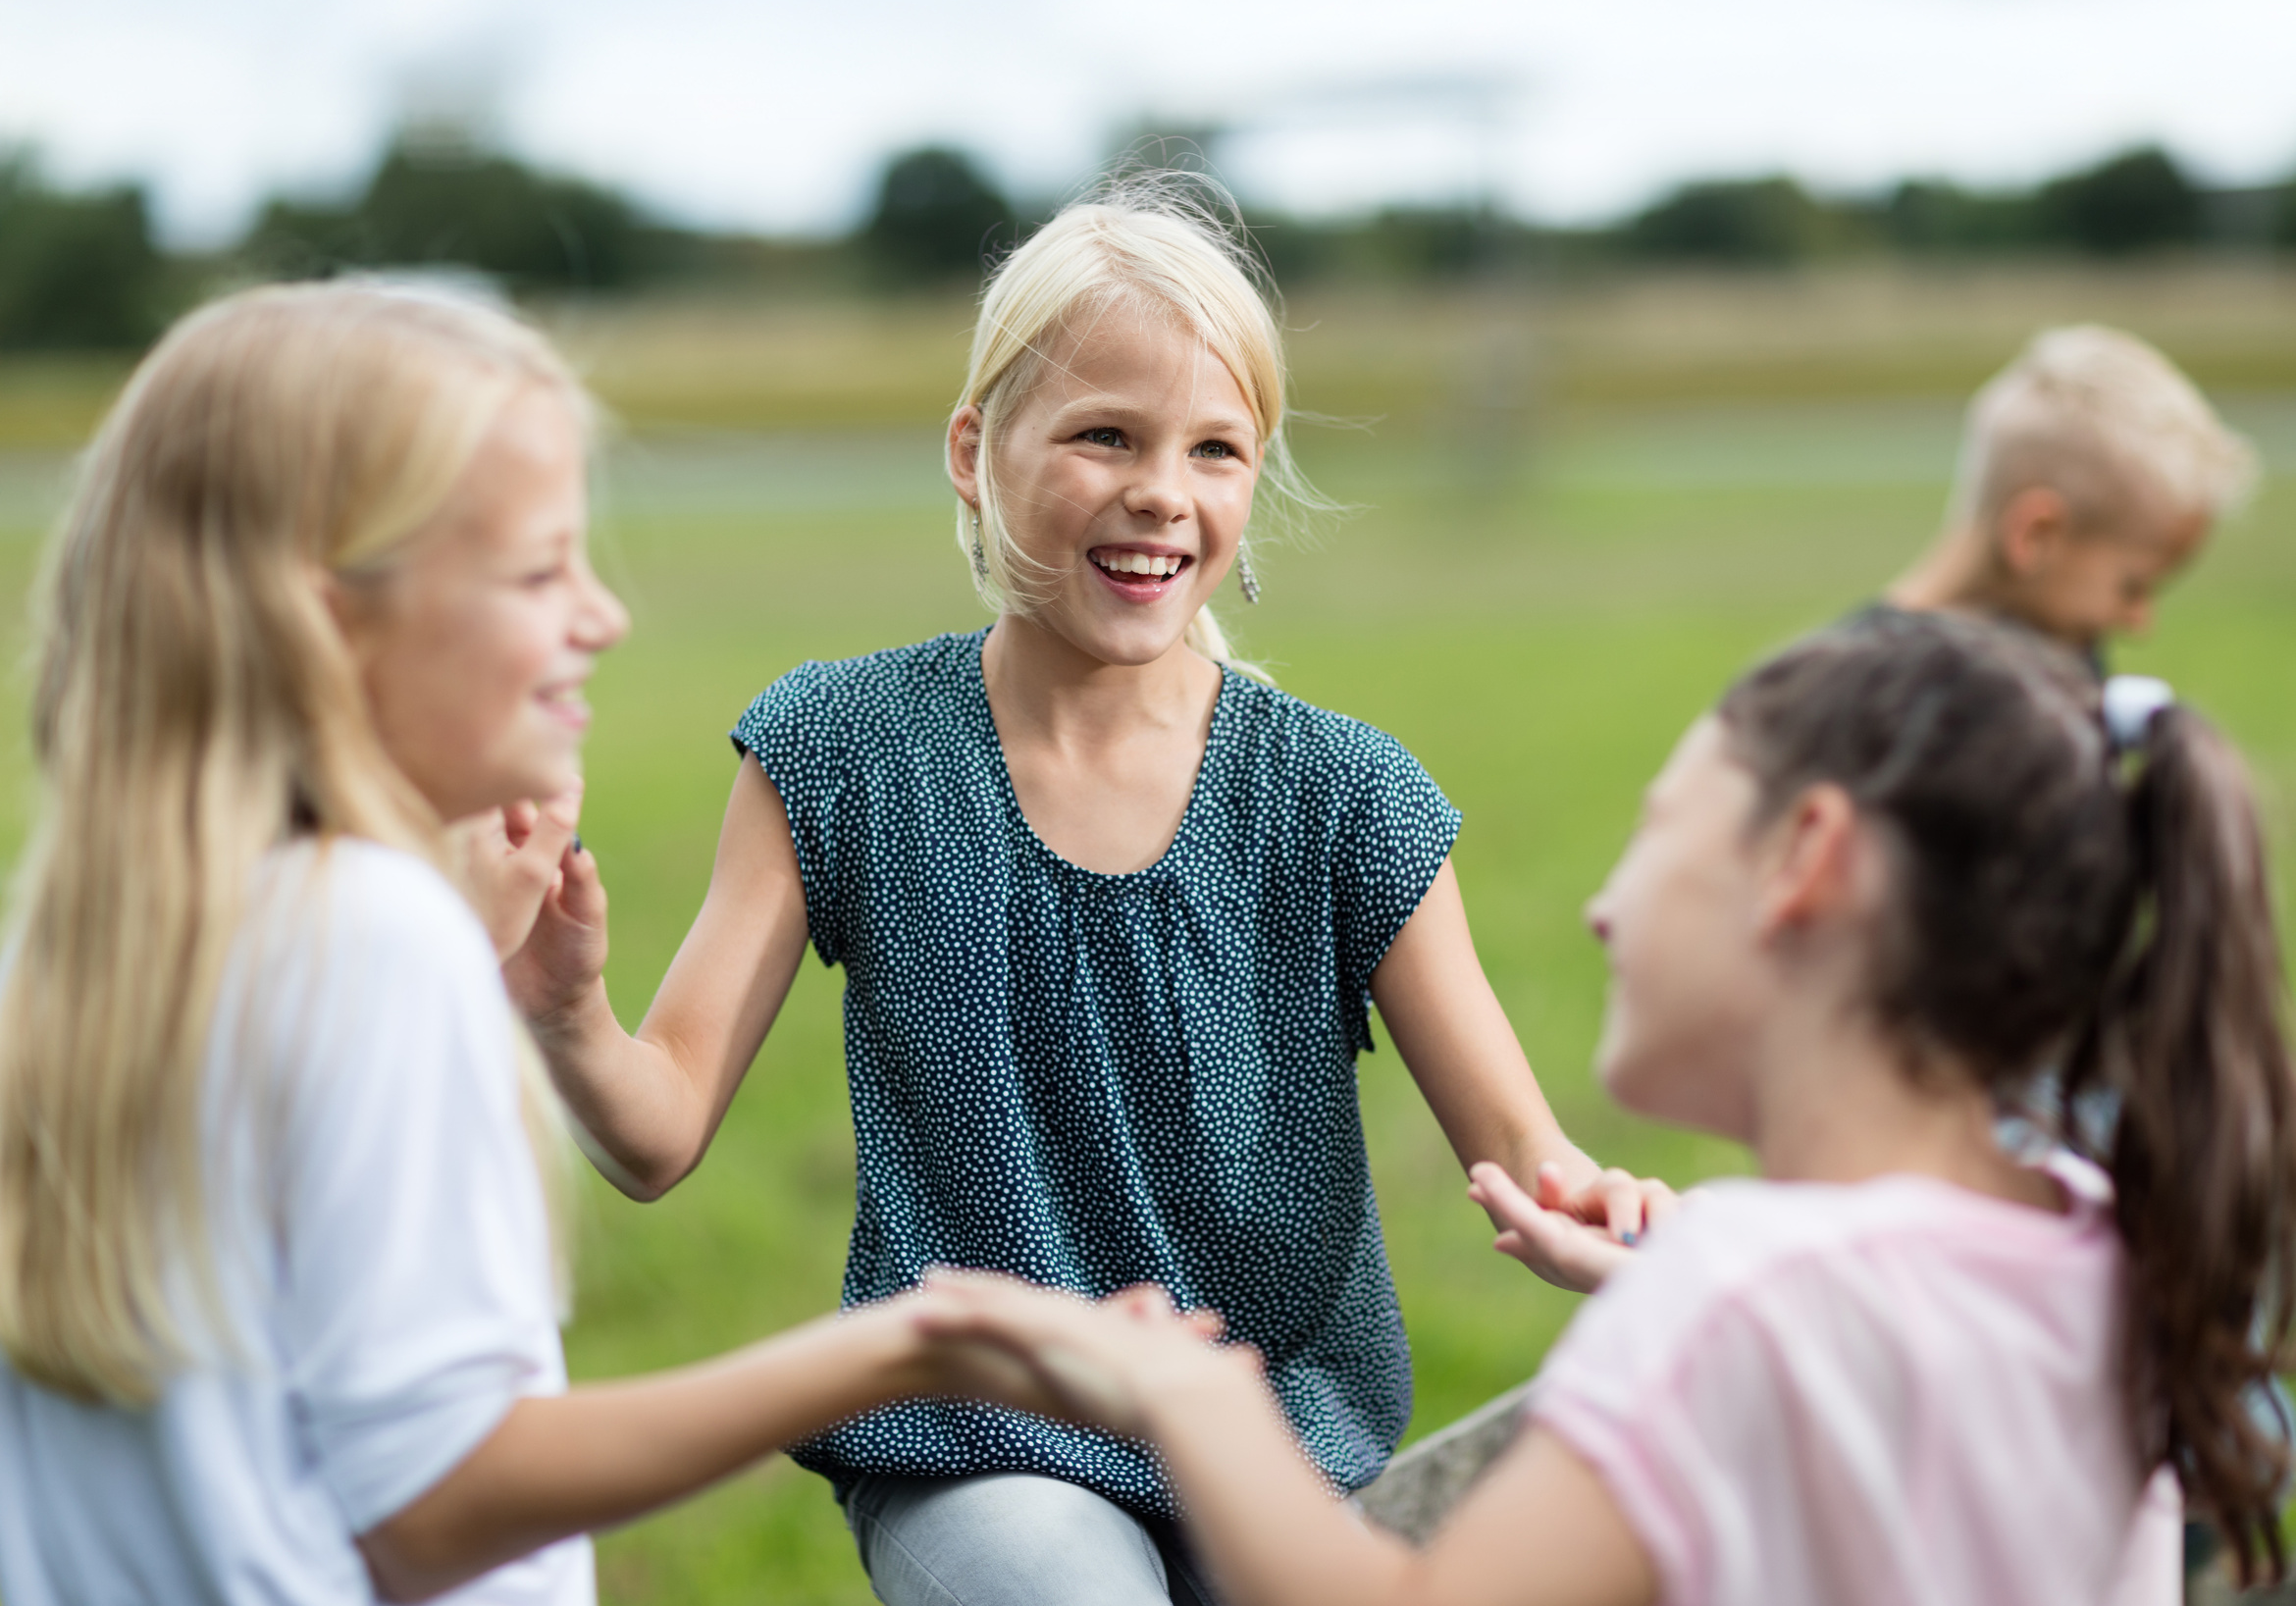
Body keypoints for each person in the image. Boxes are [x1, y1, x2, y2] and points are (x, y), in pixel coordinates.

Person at [503, 180, 1660, 1605]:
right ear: (975, 450)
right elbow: (657, 1127)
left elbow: (1528, 1163)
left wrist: (1608, 1210)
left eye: (1216, 447)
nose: (1162, 488)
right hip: (988, 1437)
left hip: (1282, 1435)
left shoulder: (1350, 796)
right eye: (1105, 432)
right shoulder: (840, 750)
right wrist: (566, 1011)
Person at [0, 284, 1048, 1606]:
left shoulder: (93, 944)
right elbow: (430, 1503)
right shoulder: (370, 941)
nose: (601, 614)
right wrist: (910, 1350)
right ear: (332, 620)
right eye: (540, 567)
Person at [914, 607, 2296, 1606]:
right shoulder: (2104, 1236)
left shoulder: (1739, 1298)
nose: (1600, 901)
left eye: (1657, 828)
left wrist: (1189, 1395)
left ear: (1804, 857)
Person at [1886, 324, 2256, 665]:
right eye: (2132, 587)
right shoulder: (1874, 704)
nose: (2141, 623)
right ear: (2036, 535)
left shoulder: (2052, 665)